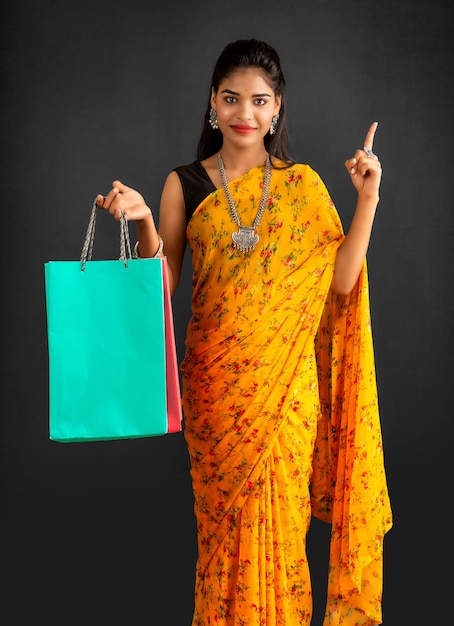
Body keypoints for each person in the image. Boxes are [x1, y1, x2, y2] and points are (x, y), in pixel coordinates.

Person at [96, 39, 392, 626]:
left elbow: (341, 281)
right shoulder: (184, 185)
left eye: (259, 101)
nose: (244, 114)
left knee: (282, 540)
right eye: (231, 98)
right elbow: (164, 287)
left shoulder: (303, 188)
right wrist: (146, 223)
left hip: (285, 399)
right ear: (213, 101)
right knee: (222, 546)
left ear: (277, 106)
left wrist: (368, 199)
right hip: (215, 399)